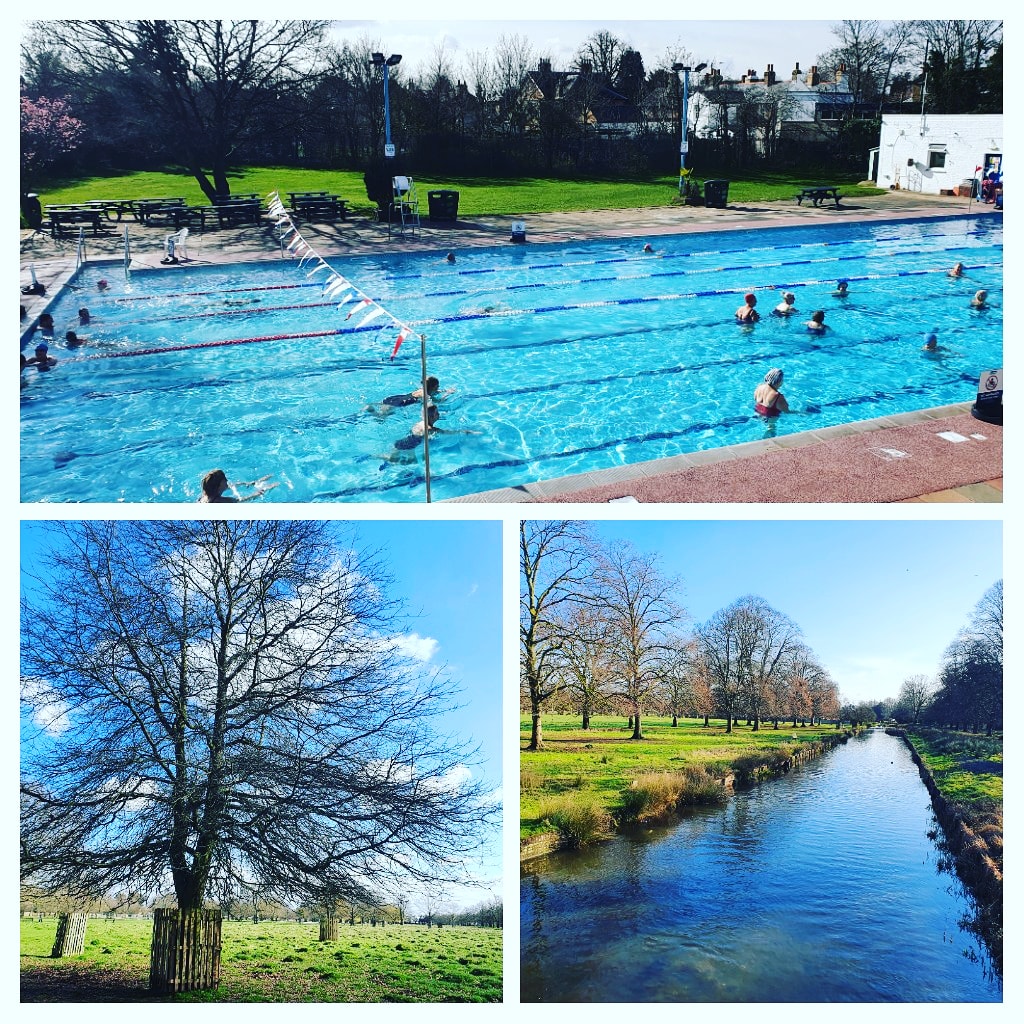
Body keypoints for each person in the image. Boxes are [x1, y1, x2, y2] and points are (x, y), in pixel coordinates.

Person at [198, 468, 278, 502]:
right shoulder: (222, 501)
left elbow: (231, 486)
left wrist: (249, 484)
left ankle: (254, 482)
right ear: (219, 486)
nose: (227, 480)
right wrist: (259, 492)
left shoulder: (204, 496)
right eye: (224, 479)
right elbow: (242, 500)